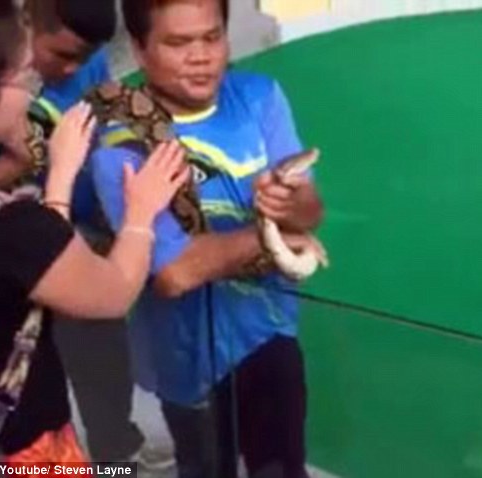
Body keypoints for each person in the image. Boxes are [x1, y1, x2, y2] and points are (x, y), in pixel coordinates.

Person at [90, 0, 325, 476]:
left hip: (270, 333)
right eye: (178, 43)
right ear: (139, 48)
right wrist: (274, 238)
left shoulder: (260, 96)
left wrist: (290, 208)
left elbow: (311, 211)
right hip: (184, 358)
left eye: (212, 37)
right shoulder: (120, 144)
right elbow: (175, 272)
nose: (201, 56)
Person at [0, 0, 188, 465]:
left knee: (100, 377)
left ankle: (117, 461)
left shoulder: (88, 69)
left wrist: (53, 177)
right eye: (23, 76)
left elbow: (36, 243)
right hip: (22, 447)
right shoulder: (9, 226)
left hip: (66, 250)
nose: (32, 85)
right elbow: (110, 290)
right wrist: (140, 216)